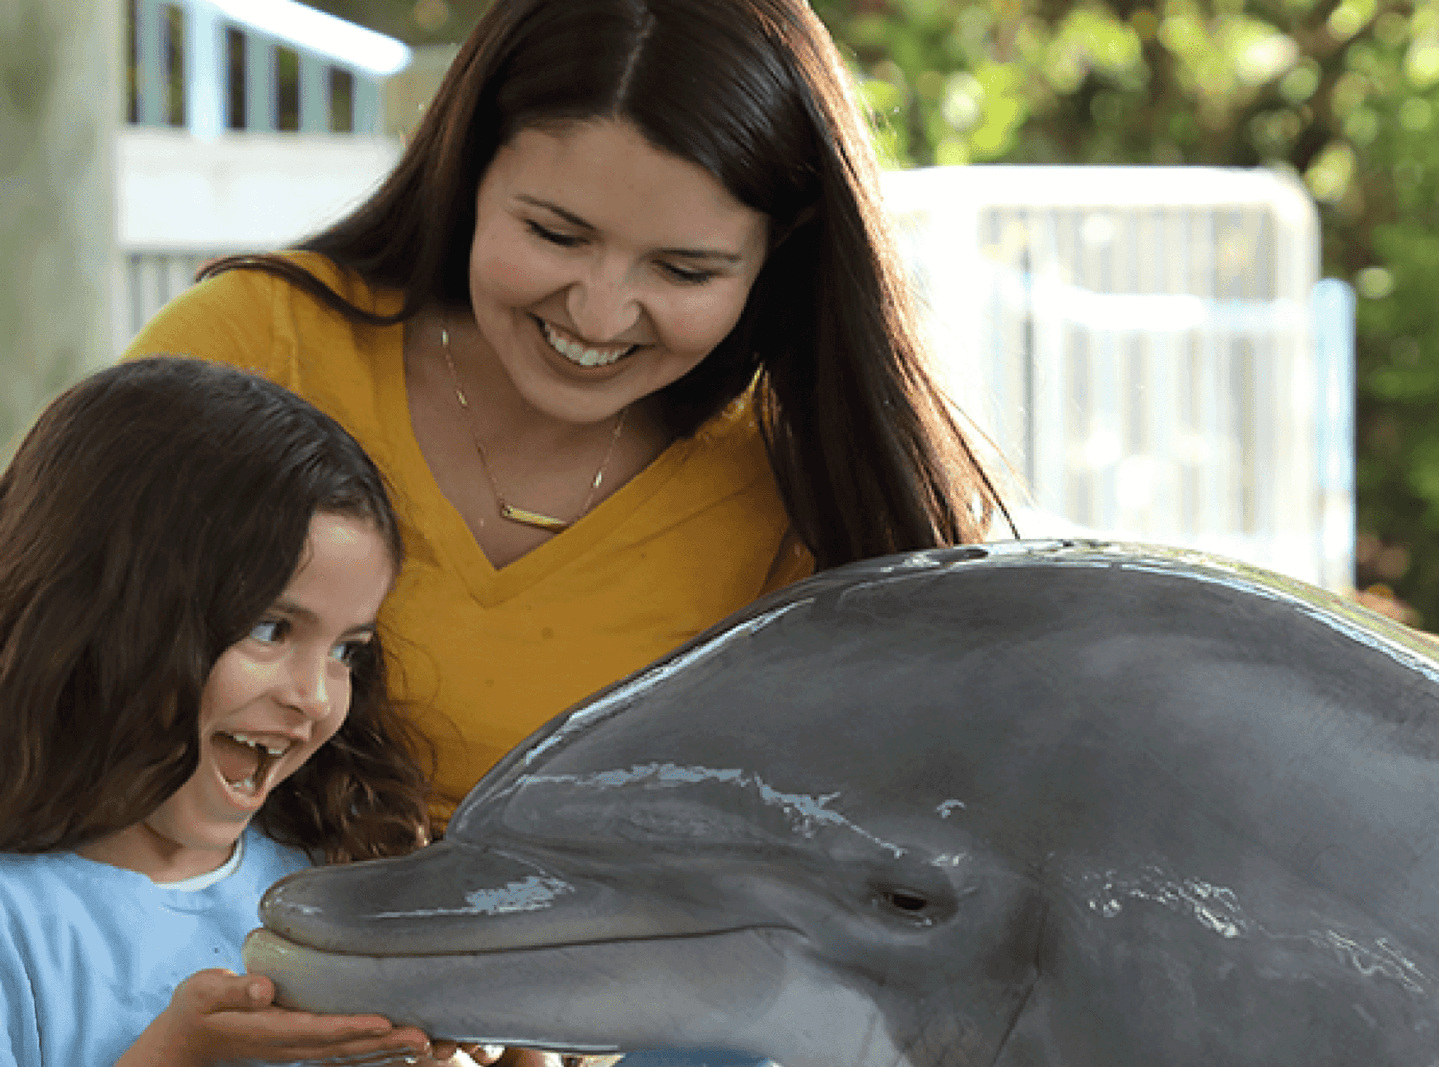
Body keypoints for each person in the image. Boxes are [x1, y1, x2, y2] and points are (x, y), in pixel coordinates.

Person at [123, 0, 1007, 804]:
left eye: (684, 269)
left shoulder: (813, 494)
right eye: (554, 234)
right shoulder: (249, 347)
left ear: (783, 250)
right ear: (467, 169)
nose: (599, 312)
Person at [0, 358, 459, 1066]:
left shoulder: (341, 865)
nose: (313, 695)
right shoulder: (20, 918)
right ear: (94, 617)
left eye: (346, 650)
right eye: (270, 628)